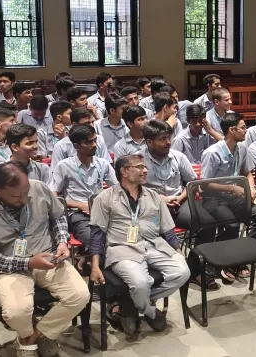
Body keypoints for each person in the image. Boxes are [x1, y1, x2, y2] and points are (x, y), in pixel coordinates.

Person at [0, 162, 90, 357]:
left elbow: (58, 217)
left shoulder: (39, 188)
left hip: (47, 254)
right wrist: (28, 263)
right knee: (16, 312)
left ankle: (32, 339)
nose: (24, 199)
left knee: (80, 295)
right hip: (7, 267)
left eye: (26, 192)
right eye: (17, 197)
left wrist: (62, 242)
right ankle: (32, 335)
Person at [88, 154, 190, 334]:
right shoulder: (105, 198)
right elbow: (97, 234)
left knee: (182, 272)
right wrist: (95, 266)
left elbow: (167, 228)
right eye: (139, 167)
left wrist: (177, 249)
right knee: (140, 283)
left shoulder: (153, 196)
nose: (145, 171)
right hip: (122, 249)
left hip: (154, 244)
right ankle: (149, 311)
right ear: (124, 172)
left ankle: (130, 301)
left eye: (145, 167)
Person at [140, 120, 218, 290]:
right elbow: (133, 189)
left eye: (169, 137)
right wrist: (159, 198)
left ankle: (194, 270)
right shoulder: (138, 161)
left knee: (207, 223)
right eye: (162, 139)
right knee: (149, 233)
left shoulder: (177, 156)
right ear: (149, 142)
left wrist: (180, 197)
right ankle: (159, 274)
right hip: (152, 208)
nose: (168, 142)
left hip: (179, 203)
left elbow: (192, 183)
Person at [199, 112, 256, 283]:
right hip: (214, 199)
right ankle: (225, 261)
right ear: (232, 130)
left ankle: (241, 253)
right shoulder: (212, 153)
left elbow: (247, 172)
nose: (246, 130)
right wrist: (232, 188)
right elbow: (204, 184)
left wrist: (251, 187)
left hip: (235, 196)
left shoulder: (242, 149)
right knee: (232, 225)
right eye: (243, 127)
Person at [48, 124, 118, 246]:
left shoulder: (103, 164)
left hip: (102, 210)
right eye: (89, 142)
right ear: (76, 146)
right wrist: (79, 204)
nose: (95, 145)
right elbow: (52, 196)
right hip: (77, 214)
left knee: (121, 236)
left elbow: (117, 188)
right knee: (94, 240)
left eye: (95, 140)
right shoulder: (64, 166)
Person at [0, 124, 51, 196]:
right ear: (15, 147)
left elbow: (50, 197)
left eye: (36, 142)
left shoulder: (43, 169)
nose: (36, 146)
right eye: (29, 143)